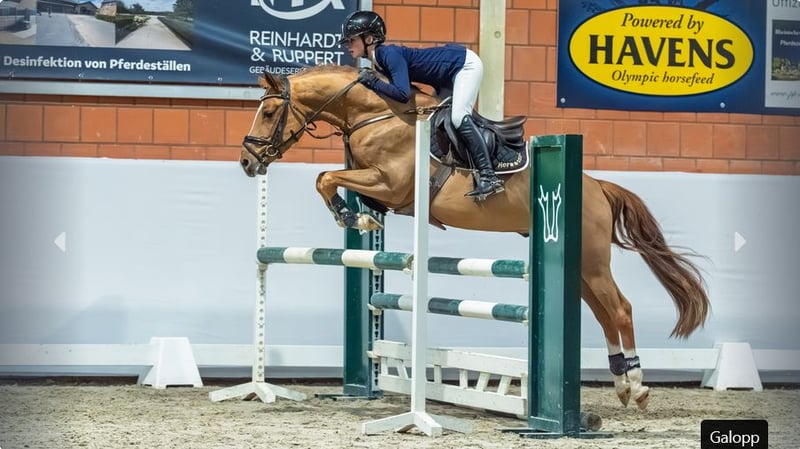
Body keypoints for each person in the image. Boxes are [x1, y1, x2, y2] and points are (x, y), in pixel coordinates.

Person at [338, 10, 504, 200]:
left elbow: (402, 95)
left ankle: (489, 176)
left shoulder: (389, 54)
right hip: (445, 77)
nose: (348, 46)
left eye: (351, 40)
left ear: (368, 39)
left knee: (458, 117)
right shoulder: (379, 61)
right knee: (436, 121)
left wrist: (373, 82)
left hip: (464, 65)